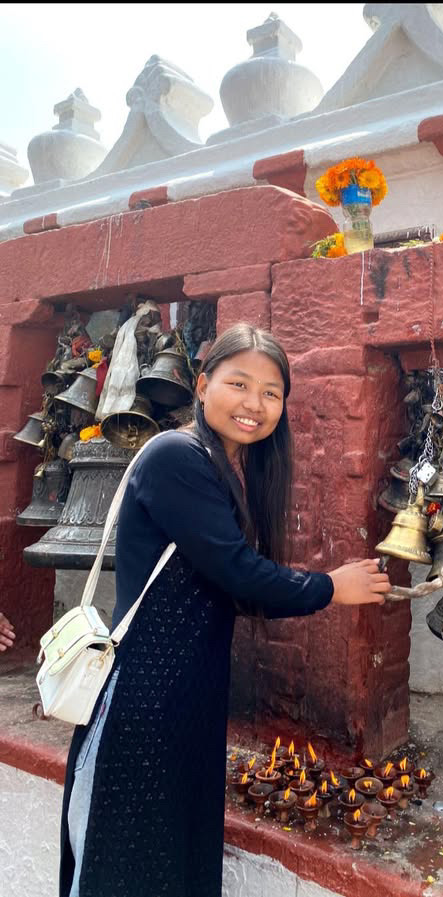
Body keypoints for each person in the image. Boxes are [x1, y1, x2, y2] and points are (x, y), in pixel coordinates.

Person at [58, 323, 391, 897]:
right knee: (130, 868)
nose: (254, 405)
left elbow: (230, 585)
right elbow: (239, 572)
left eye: (271, 393)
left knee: (176, 865)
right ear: (203, 385)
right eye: (239, 384)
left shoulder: (224, 468)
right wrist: (331, 587)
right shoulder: (175, 455)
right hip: (142, 702)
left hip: (186, 701)